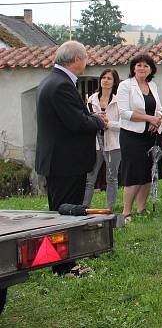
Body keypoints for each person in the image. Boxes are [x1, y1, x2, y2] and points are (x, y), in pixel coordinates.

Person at [35, 41, 106, 275]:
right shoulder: (61, 85)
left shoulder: (53, 81)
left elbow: (71, 117)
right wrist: (98, 121)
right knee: (65, 214)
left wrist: (90, 117)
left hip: (59, 160)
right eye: (85, 58)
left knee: (60, 212)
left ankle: (60, 261)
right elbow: (76, 123)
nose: (87, 62)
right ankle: (65, 266)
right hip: (65, 162)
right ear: (76, 59)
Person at [117, 53, 162, 222]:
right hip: (132, 136)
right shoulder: (125, 86)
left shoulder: (153, 85)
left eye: (146, 66)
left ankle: (141, 208)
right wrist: (148, 118)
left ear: (151, 69)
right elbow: (124, 113)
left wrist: (157, 119)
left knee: (148, 172)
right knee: (133, 173)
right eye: (139, 65)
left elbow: (159, 107)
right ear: (133, 68)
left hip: (152, 134)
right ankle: (126, 212)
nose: (142, 68)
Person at [84, 68, 122, 210]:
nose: (105, 80)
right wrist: (96, 122)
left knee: (111, 177)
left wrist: (108, 124)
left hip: (114, 143)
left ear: (114, 82)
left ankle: (109, 209)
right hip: (95, 143)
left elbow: (124, 124)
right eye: (103, 77)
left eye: (109, 78)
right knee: (90, 178)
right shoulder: (92, 99)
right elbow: (86, 119)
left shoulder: (119, 101)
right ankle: (85, 207)